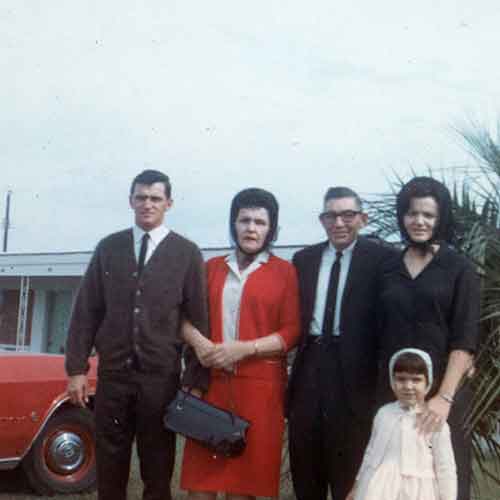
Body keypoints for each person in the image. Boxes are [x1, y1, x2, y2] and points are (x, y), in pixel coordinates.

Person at [65, 170, 209, 500]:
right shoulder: (109, 248)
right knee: (110, 468)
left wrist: (197, 381)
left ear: (168, 204)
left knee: (157, 472)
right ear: (130, 200)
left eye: (155, 198)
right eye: (141, 197)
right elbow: (86, 311)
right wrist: (76, 369)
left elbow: (198, 320)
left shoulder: (186, 253)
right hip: (113, 378)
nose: (147, 204)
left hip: (160, 382)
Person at [180, 188, 301, 500]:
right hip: (211, 388)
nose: (251, 228)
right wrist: (199, 343)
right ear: (233, 224)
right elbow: (182, 317)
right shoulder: (210, 268)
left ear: (271, 228)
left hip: (259, 391)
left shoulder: (284, 272)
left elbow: (292, 331)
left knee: (242, 489)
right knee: (201, 487)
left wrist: (245, 348)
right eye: (244, 220)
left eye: (260, 222)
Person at [287, 186, 396, 500]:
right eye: (331, 215)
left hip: (356, 377)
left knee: (350, 475)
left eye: (348, 215)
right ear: (322, 220)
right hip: (309, 369)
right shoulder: (304, 259)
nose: (339, 222)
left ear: (362, 218)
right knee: (306, 468)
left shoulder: (384, 259)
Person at [377, 176, 480, 500]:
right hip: (396, 393)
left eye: (428, 215)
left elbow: (464, 341)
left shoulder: (459, 268)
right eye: (411, 213)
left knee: (446, 482)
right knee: (394, 481)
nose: (419, 221)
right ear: (402, 216)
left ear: (441, 218)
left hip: (442, 395)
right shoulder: (387, 267)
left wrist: (443, 399)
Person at [347, 348, 457, 500]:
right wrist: (357, 486)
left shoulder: (434, 421)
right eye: (401, 379)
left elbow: (446, 469)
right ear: (393, 381)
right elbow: (370, 453)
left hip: (419, 493)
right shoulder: (384, 414)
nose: (408, 386)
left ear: (428, 382)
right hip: (381, 489)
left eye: (416, 379)